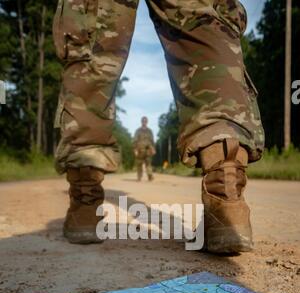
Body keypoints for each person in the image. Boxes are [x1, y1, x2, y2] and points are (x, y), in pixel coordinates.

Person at [53, 0, 264, 252]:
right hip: (141, 150)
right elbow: (139, 139)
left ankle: (85, 204)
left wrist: (151, 148)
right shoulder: (141, 130)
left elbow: (149, 138)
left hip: (144, 148)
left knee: (92, 39)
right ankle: (226, 203)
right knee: (203, 24)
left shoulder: (147, 130)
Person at [133, 117, 155, 182]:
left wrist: (153, 149)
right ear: (141, 121)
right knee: (139, 164)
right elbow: (135, 140)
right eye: (143, 121)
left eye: (145, 121)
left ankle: (150, 176)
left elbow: (152, 140)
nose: (144, 122)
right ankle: (139, 177)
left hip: (148, 149)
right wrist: (135, 149)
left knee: (148, 164)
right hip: (140, 150)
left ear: (147, 122)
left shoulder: (150, 131)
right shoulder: (138, 131)